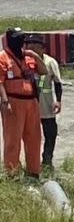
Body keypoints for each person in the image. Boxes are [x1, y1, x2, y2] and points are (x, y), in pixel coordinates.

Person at [0, 28, 46, 179]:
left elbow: (43, 71)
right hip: (13, 102)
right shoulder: (3, 57)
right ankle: (12, 174)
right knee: (13, 140)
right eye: (18, 38)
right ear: (10, 39)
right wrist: (5, 102)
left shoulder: (27, 57)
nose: (21, 41)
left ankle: (33, 172)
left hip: (31, 102)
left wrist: (34, 55)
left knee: (34, 138)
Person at [28, 37, 63, 170]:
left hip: (46, 103)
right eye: (29, 46)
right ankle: (33, 163)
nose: (31, 49)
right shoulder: (25, 61)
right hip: (30, 103)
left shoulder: (50, 62)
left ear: (42, 48)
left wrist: (58, 101)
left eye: (35, 46)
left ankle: (47, 160)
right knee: (32, 135)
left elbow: (57, 83)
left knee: (50, 133)